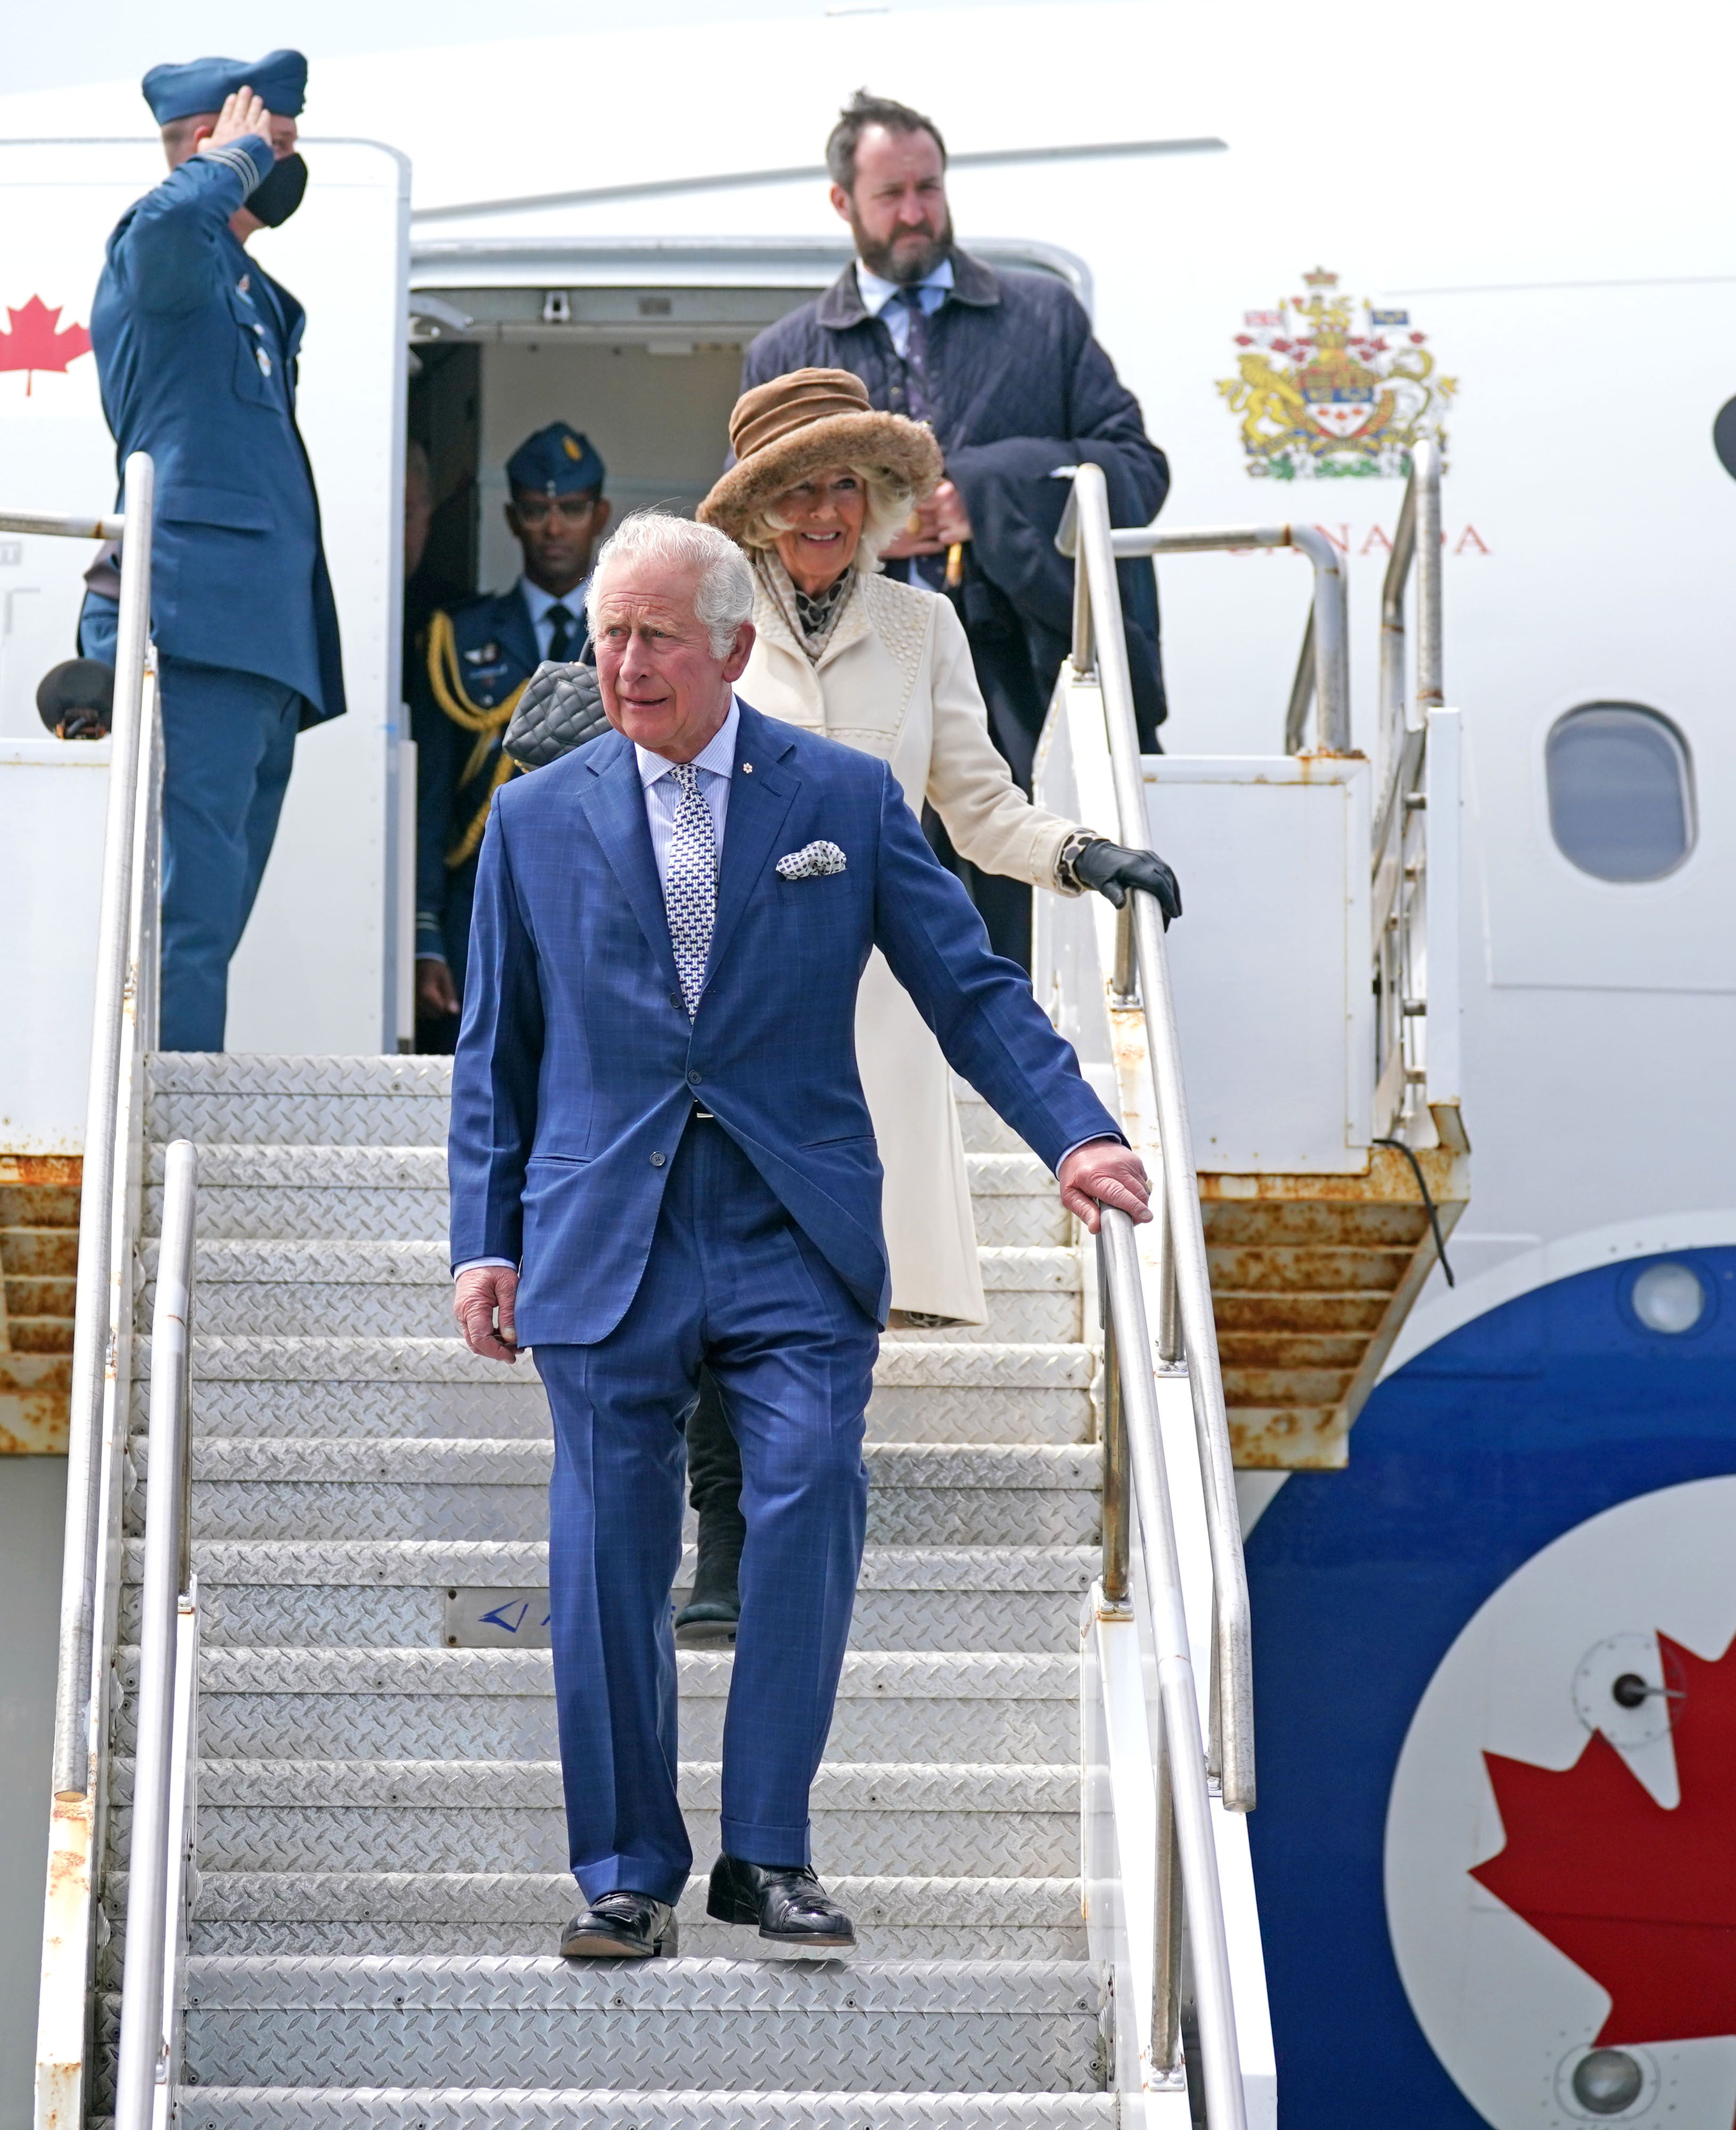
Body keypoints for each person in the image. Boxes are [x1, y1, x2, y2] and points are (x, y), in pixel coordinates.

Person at [446, 511, 1154, 1960]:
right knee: (605, 1556)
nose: (624, 666)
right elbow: (494, 1059)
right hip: (603, 1232)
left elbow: (970, 988)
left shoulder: (839, 796)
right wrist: (485, 1237)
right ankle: (628, 1869)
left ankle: (768, 1853)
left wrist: (1076, 1131)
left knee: (814, 1491)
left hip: (792, 1223)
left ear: (732, 650)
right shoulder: (533, 819)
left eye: (653, 638)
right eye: (608, 638)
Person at [657, 366, 1182, 1639]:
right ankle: (724, 1531)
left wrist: (1082, 855)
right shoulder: (703, 621)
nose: (826, 510)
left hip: (874, 1003)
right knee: (723, 1267)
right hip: (721, 991)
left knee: (837, 1280)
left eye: (848, 484)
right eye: (799, 489)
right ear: (758, 509)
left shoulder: (919, 630)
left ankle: (807, 1499)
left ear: (882, 497)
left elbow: (978, 805)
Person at [743, 90, 1174, 967]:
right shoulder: (784, 354)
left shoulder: (1043, 318)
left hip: (1028, 683)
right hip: (853, 692)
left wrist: (982, 496)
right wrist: (857, 529)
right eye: (891, 195)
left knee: (1025, 938)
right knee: (862, 937)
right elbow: (751, 527)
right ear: (842, 205)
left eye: (929, 189)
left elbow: (1141, 471)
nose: (915, 214)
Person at [78, 50, 347, 1051]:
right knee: (177, 925)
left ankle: (178, 1100)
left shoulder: (248, 293)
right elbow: (162, 223)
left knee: (209, 924)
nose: (283, 165)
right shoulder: (170, 260)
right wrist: (227, 163)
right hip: (193, 637)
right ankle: (161, 1139)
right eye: (272, 146)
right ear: (210, 144)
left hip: (263, 650)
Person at [414, 422, 616, 1047]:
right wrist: (424, 935)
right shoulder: (458, 638)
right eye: (536, 510)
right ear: (511, 517)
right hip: (478, 904)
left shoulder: (633, 639)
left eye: (571, 509)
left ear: (600, 514)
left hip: (603, 898)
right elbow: (430, 799)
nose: (553, 528)